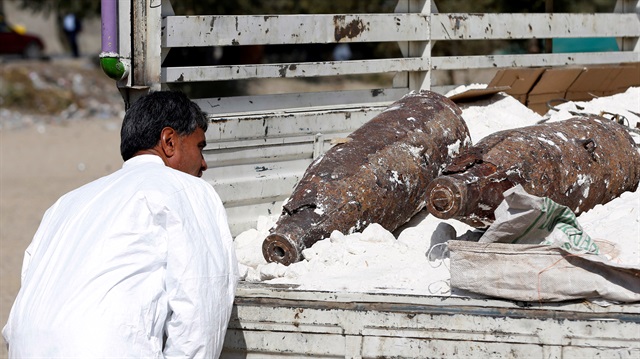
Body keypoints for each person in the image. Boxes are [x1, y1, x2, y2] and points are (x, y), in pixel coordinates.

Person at [2, 91, 239, 358]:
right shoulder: (185, 189)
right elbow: (201, 306)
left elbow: (31, 290)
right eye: (200, 147)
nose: (204, 164)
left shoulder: (66, 203)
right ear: (169, 141)